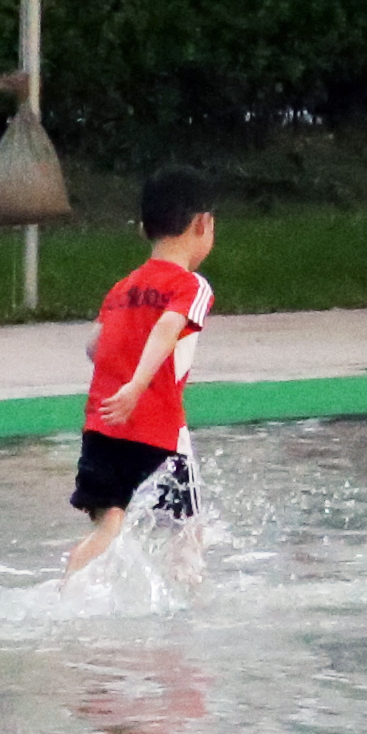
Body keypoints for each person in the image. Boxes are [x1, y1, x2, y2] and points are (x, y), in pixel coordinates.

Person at [67, 165, 218, 575]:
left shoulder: (122, 287)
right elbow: (169, 328)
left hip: (102, 430)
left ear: (142, 230)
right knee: (187, 535)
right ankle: (187, 620)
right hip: (161, 433)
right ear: (203, 224)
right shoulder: (192, 285)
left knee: (107, 532)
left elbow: (94, 346)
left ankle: (69, 595)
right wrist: (136, 385)